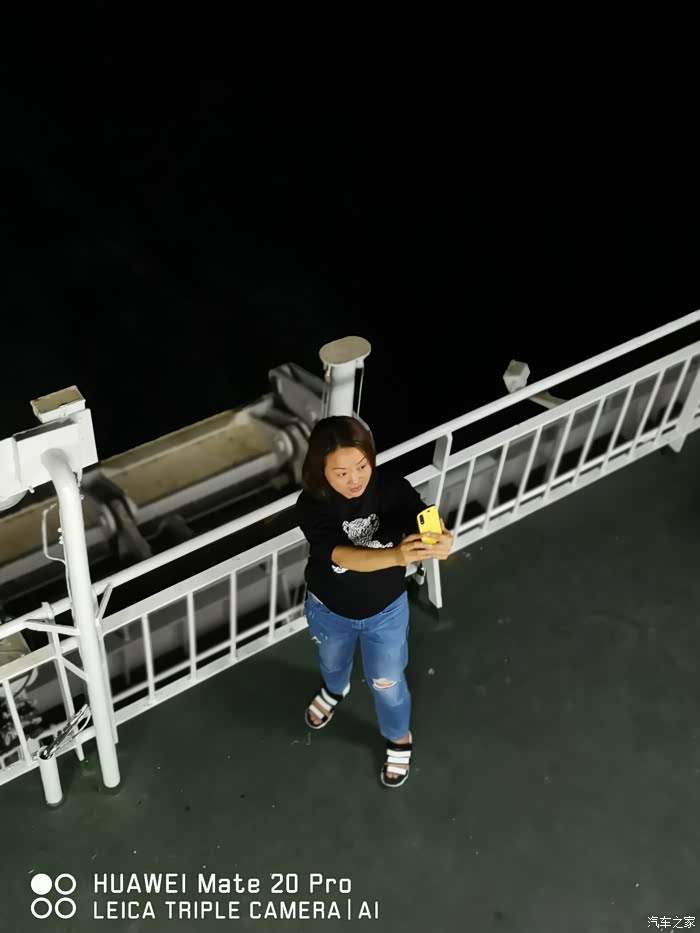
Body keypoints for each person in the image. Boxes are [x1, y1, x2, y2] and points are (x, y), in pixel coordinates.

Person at [295, 415, 452, 788]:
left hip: (386, 612)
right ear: (321, 471)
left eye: (362, 466)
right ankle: (335, 689)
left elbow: (422, 515)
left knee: (387, 681)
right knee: (331, 662)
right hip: (329, 608)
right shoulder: (312, 504)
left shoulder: (391, 488)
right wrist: (397, 556)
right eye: (341, 473)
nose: (355, 479)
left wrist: (440, 536)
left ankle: (398, 737)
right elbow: (341, 555)